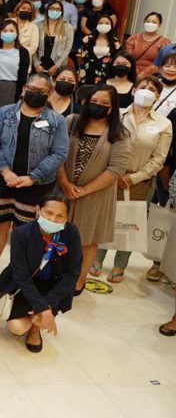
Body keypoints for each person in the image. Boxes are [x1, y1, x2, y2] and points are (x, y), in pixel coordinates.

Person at [0, 73, 69, 291]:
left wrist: (33, 177)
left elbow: (59, 153)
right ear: (23, 89)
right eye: (32, 89)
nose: (35, 94)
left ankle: (16, 272)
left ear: (49, 94)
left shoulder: (57, 121)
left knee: (26, 232)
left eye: (42, 92)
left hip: (36, 185)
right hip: (4, 180)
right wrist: (5, 170)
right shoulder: (5, 113)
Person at [91, 76, 171, 283]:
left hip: (138, 180)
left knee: (129, 223)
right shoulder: (116, 114)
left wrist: (134, 177)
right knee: (104, 219)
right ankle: (97, 259)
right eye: (142, 87)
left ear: (158, 96)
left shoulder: (164, 123)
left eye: (152, 89)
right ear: (134, 91)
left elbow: (159, 159)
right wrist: (112, 173)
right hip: (108, 176)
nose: (146, 91)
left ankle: (119, 266)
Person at [57, 85, 131, 293]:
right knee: (58, 237)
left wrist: (84, 190)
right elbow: (58, 153)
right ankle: (56, 275)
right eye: (94, 102)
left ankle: (78, 281)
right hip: (64, 192)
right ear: (86, 102)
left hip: (97, 196)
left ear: (112, 108)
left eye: (105, 104)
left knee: (87, 241)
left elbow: (116, 169)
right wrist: (65, 183)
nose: (98, 107)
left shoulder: (120, 134)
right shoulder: (71, 122)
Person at [0, 193, 82, 352]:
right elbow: (20, 275)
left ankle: (35, 329)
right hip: (25, 285)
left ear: (67, 218)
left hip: (53, 287)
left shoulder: (71, 233)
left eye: (59, 216)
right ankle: (33, 318)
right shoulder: (21, 234)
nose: (53, 219)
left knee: (42, 318)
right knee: (17, 327)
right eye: (48, 213)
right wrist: (42, 308)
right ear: (38, 210)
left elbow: (72, 273)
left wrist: (48, 304)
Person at [0, 19, 30, 111]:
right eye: (5, 31)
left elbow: (23, 76)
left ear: (17, 34)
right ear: (0, 33)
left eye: (11, 31)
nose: (8, 33)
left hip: (13, 87)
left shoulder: (22, 52)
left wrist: (22, 92)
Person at [76, 15, 120, 86]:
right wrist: (79, 72)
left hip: (106, 75)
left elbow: (117, 59)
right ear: (96, 25)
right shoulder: (88, 39)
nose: (104, 25)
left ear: (111, 26)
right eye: (101, 23)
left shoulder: (115, 42)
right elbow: (79, 57)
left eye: (107, 23)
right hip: (87, 74)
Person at [35, 0, 74, 78]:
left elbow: (68, 48)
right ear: (47, 10)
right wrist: (36, 64)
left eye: (58, 9)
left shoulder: (67, 27)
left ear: (61, 12)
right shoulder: (38, 25)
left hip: (58, 66)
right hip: (40, 65)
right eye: (52, 8)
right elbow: (33, 47)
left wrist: (56, 66)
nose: (55, 11)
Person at [125, 12, 170, 78]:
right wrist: (135, 72)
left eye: (154, 22)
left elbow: (162, 63)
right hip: (132, 73)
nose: (150, 24)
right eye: (148, 21)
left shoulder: (165, 42)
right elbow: (128, 58)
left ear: (159, 24)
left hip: (152, 76)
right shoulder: (133, 39)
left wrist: (143, 74)